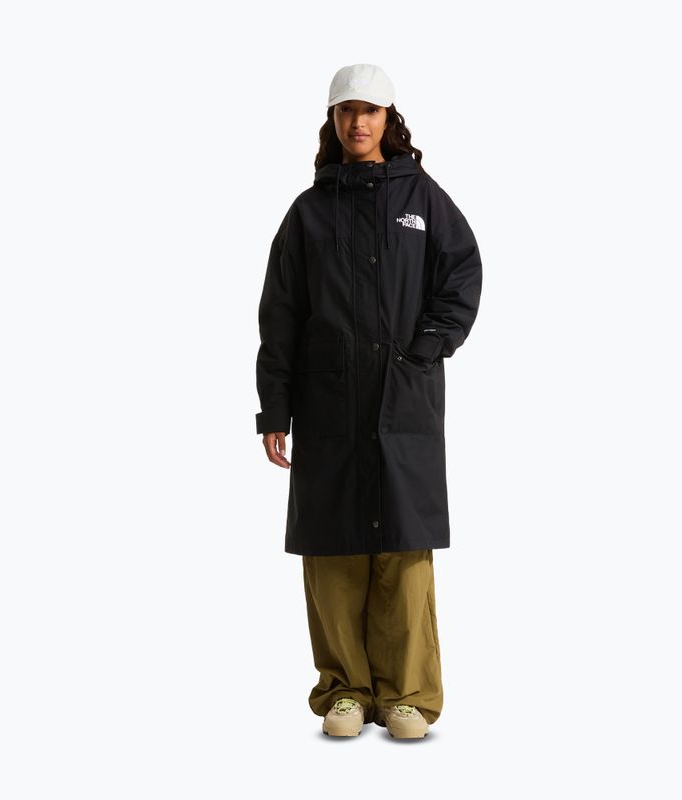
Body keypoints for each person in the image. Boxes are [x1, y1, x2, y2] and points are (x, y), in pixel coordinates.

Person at [254, 63, 482, 738]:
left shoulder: (422, 198)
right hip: (326, 405)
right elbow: (280, 315)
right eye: (346, 110)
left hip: (403, 402)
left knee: (404, 553)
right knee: (333, 553)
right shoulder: (308, 213)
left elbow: (462, 271)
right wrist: (274, 409)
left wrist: (430, 344)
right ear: (333, 120)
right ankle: (345, 691)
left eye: (371, 111)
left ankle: (406, 695)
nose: (358, 122)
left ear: (389, 119)